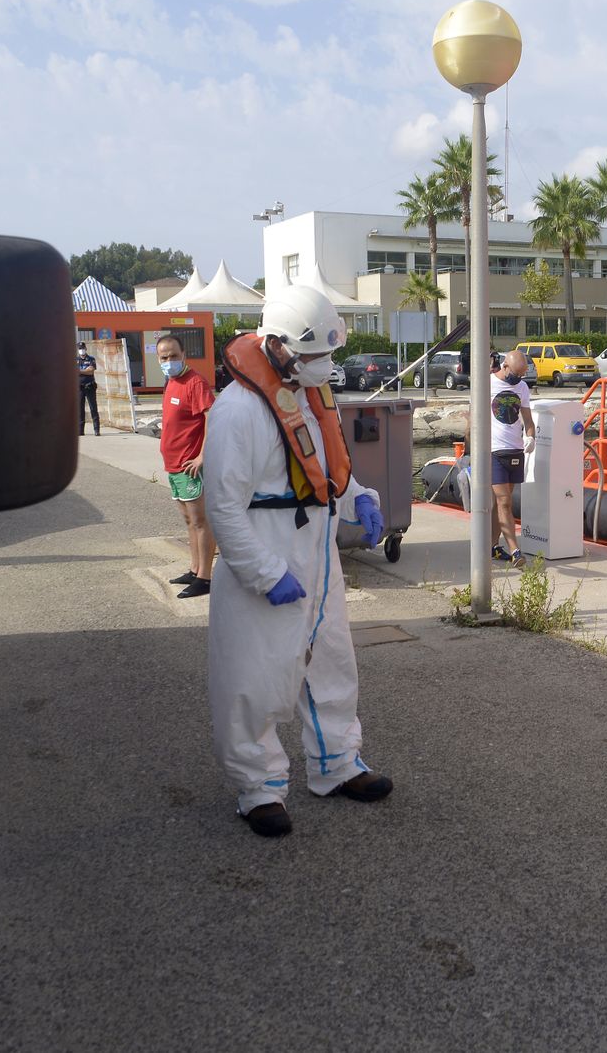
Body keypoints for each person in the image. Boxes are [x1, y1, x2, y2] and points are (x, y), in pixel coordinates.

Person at [203, 284, 392, 838]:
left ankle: (337, 764)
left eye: (327, 356)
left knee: (332, 661)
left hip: (318, 550)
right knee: (256, 677)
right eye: (312, 357)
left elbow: (322, 464)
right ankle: (258, 787)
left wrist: (359, 494)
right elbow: (224, 507)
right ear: (277, 346)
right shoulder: (238, 411)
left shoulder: (308, 395)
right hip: (267, 553)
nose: (322, 367)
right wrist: (264, 572)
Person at [157, 334, 216, 599]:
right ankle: (194, 569)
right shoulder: (172, 382)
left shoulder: (195, 383)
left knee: (201, 521)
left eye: (173, 356)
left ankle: (205, 577)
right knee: (188, 520)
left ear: (184, 356)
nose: (168, 361)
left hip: (191, 464)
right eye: (163, 358)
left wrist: (203, 456)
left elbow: (211, 418)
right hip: (174, 464)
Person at [486, 349, 535, 566]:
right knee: (504, 501)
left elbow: (528, 420)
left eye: (522, 375)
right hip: (494, 450)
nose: (518, 379)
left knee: (500, 504)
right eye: (516, 374)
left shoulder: (522, 387)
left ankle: (492, 546)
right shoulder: (487, 384)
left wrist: (530, 437)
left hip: (515, 450)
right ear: (504, 366)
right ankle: (515, 551)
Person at [78, 341, 100, 436]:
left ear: (86, 349)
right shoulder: (75, 359)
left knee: (93, 408)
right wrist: (85, 370)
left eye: (82, 348)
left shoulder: (91, 359)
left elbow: (91, 371)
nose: (81, 350)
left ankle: (96, 430)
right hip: (79, 388)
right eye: (80, 349)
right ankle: (80, 431)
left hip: (90, 386)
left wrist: (79, 371)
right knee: (80, 409)